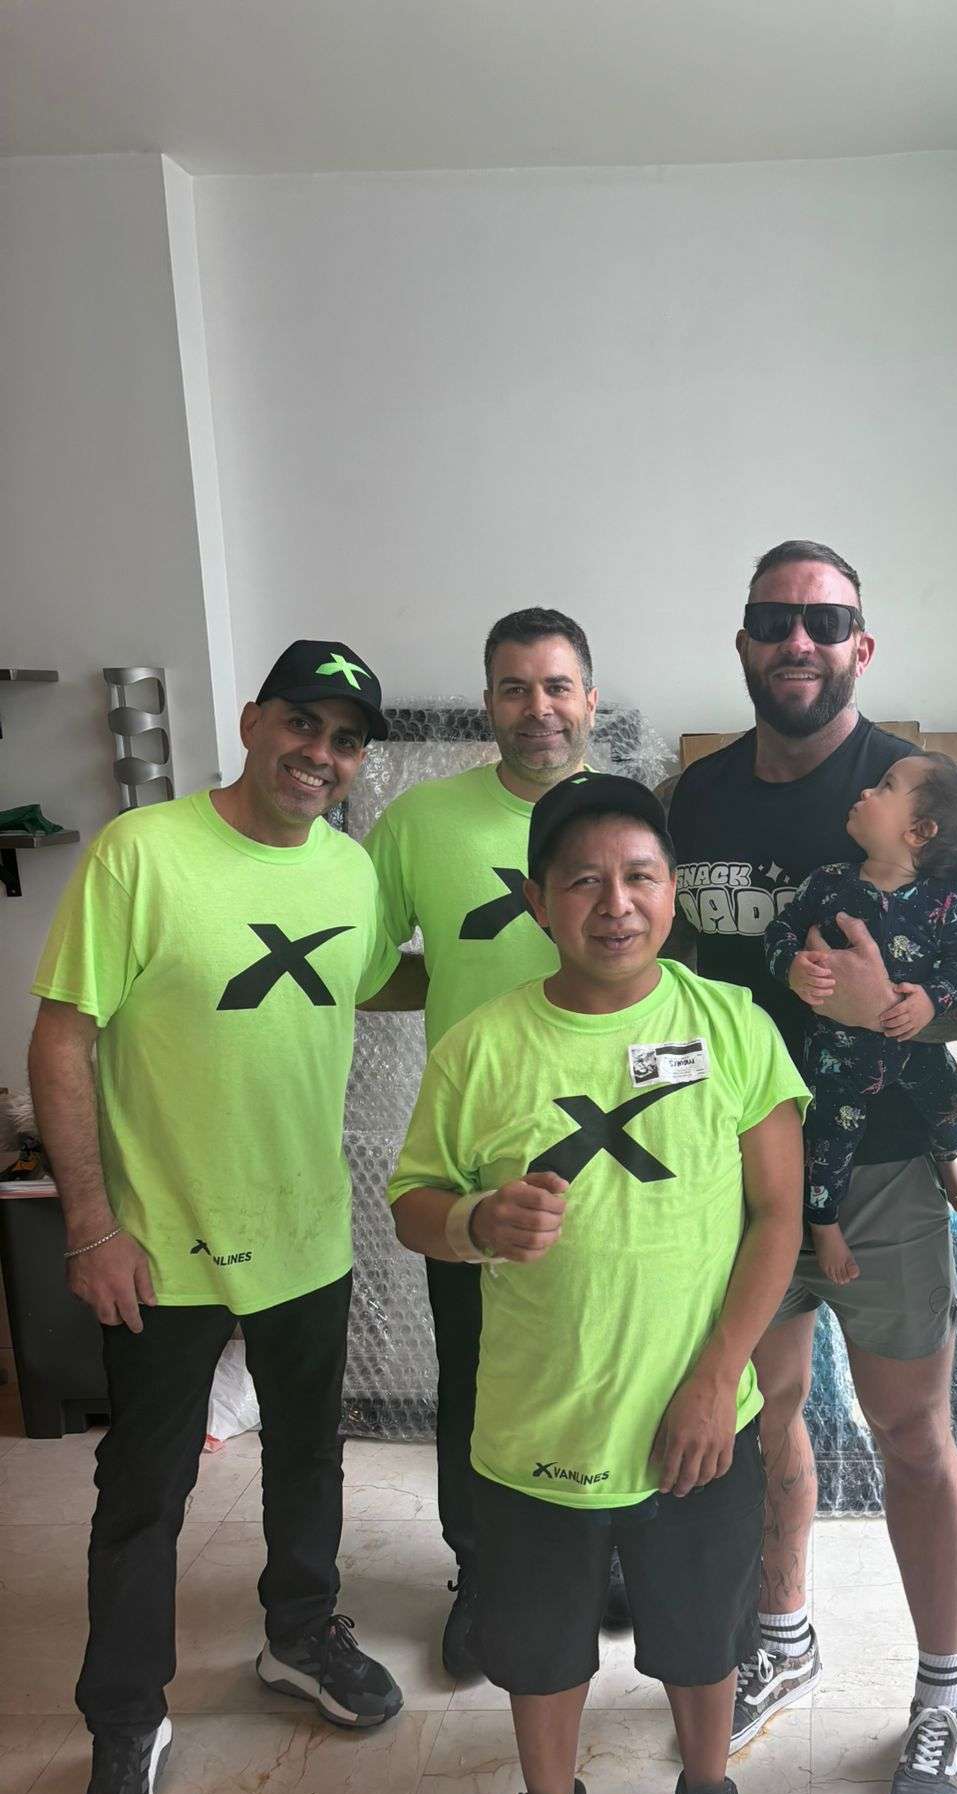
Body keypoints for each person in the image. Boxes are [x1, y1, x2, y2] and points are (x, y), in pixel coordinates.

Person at [389, 772, 808, 1794]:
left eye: (639, 876)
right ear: (536, 899)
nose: (614, 903)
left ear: (671, 891)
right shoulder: (482, 1045)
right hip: (532, 1422)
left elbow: (776, 1217)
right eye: (582, 879)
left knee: (702, 1630)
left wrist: (712, 1375)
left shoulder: (734, 1027)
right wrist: (476, 1222)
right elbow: (414, 1202)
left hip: (695, 1418)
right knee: (536, 1641)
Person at [28, 640, 405, 1794]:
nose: (320, 753)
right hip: (157, 1244)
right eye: (302, 722)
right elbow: (65, 1035)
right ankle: (126, 1720)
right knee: (143, 1496)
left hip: (305, 1232)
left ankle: (298, 1634)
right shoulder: (143, 853)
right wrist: (91, 1223)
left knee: (308, 1454)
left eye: (346, 740)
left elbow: (346, 998)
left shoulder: (352, 873)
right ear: (250, 721)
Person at [666, 540, 957, 1794]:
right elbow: (673, 960)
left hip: (888, 1169)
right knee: (769, 1408)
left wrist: (900, 1012)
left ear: (862, 645)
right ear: (743, 643)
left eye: (826, 621)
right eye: (773, 621)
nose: (797, 641)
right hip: (750, 1161)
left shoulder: (922, 791)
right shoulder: (695, 798)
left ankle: (942, 1693)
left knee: (914, 1432)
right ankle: (784, 1634)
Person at [364, 606, 606, 1676]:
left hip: (616, 1148)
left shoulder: (629, 817)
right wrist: (459, 993)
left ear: (589, 698)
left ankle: (600, 1558)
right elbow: (366, 966)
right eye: (516, 687)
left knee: (603, 1357)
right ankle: (483, 1572)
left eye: (557, 685)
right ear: (488, 703)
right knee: (475, 1371)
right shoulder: (421, 823)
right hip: (475, 1151)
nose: (538, 707)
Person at [763, 752, 957, 1283]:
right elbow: (778, 933)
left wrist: (930, 1001)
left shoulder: (944, 903)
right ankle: (822, 1223)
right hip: (836, 1052)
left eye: (885, 788)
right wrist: (794, 969)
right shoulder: (827, 883)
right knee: (827, 1138)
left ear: (919, 831)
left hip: (913, 1046)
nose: (866, 793)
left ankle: (946, 1155)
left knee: (951, 1103)